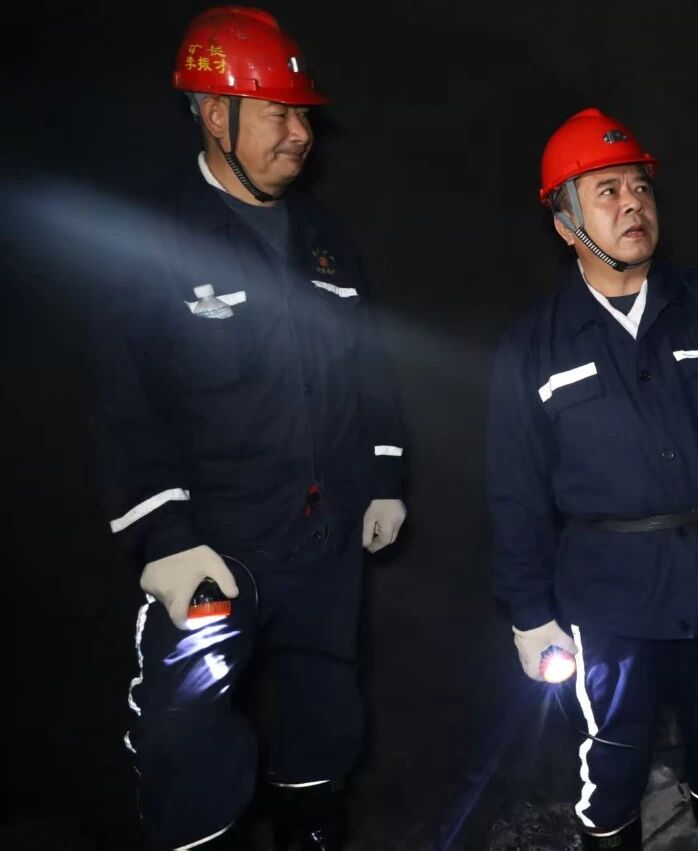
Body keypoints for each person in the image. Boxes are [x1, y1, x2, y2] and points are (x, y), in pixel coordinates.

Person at [93, 7, 407, 847]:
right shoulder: (158, 241)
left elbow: (370, 368)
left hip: (324, 541)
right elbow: (124, 400)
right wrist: (163, 536)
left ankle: (312, 830)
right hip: (215, 546)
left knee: (325, 715)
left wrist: (384, 476)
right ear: (214, 114)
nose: (301, 133)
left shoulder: (325, 241)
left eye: (303, 115)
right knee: (185, 735)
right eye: (278, 114)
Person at [486, 108, 698, 850]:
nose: (632, 203)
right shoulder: (534, 347)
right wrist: (529, 613)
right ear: (565, 222)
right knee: (613, 756)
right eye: (606, 191)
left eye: (640, 186)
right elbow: (514, 490)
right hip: (609, 592)